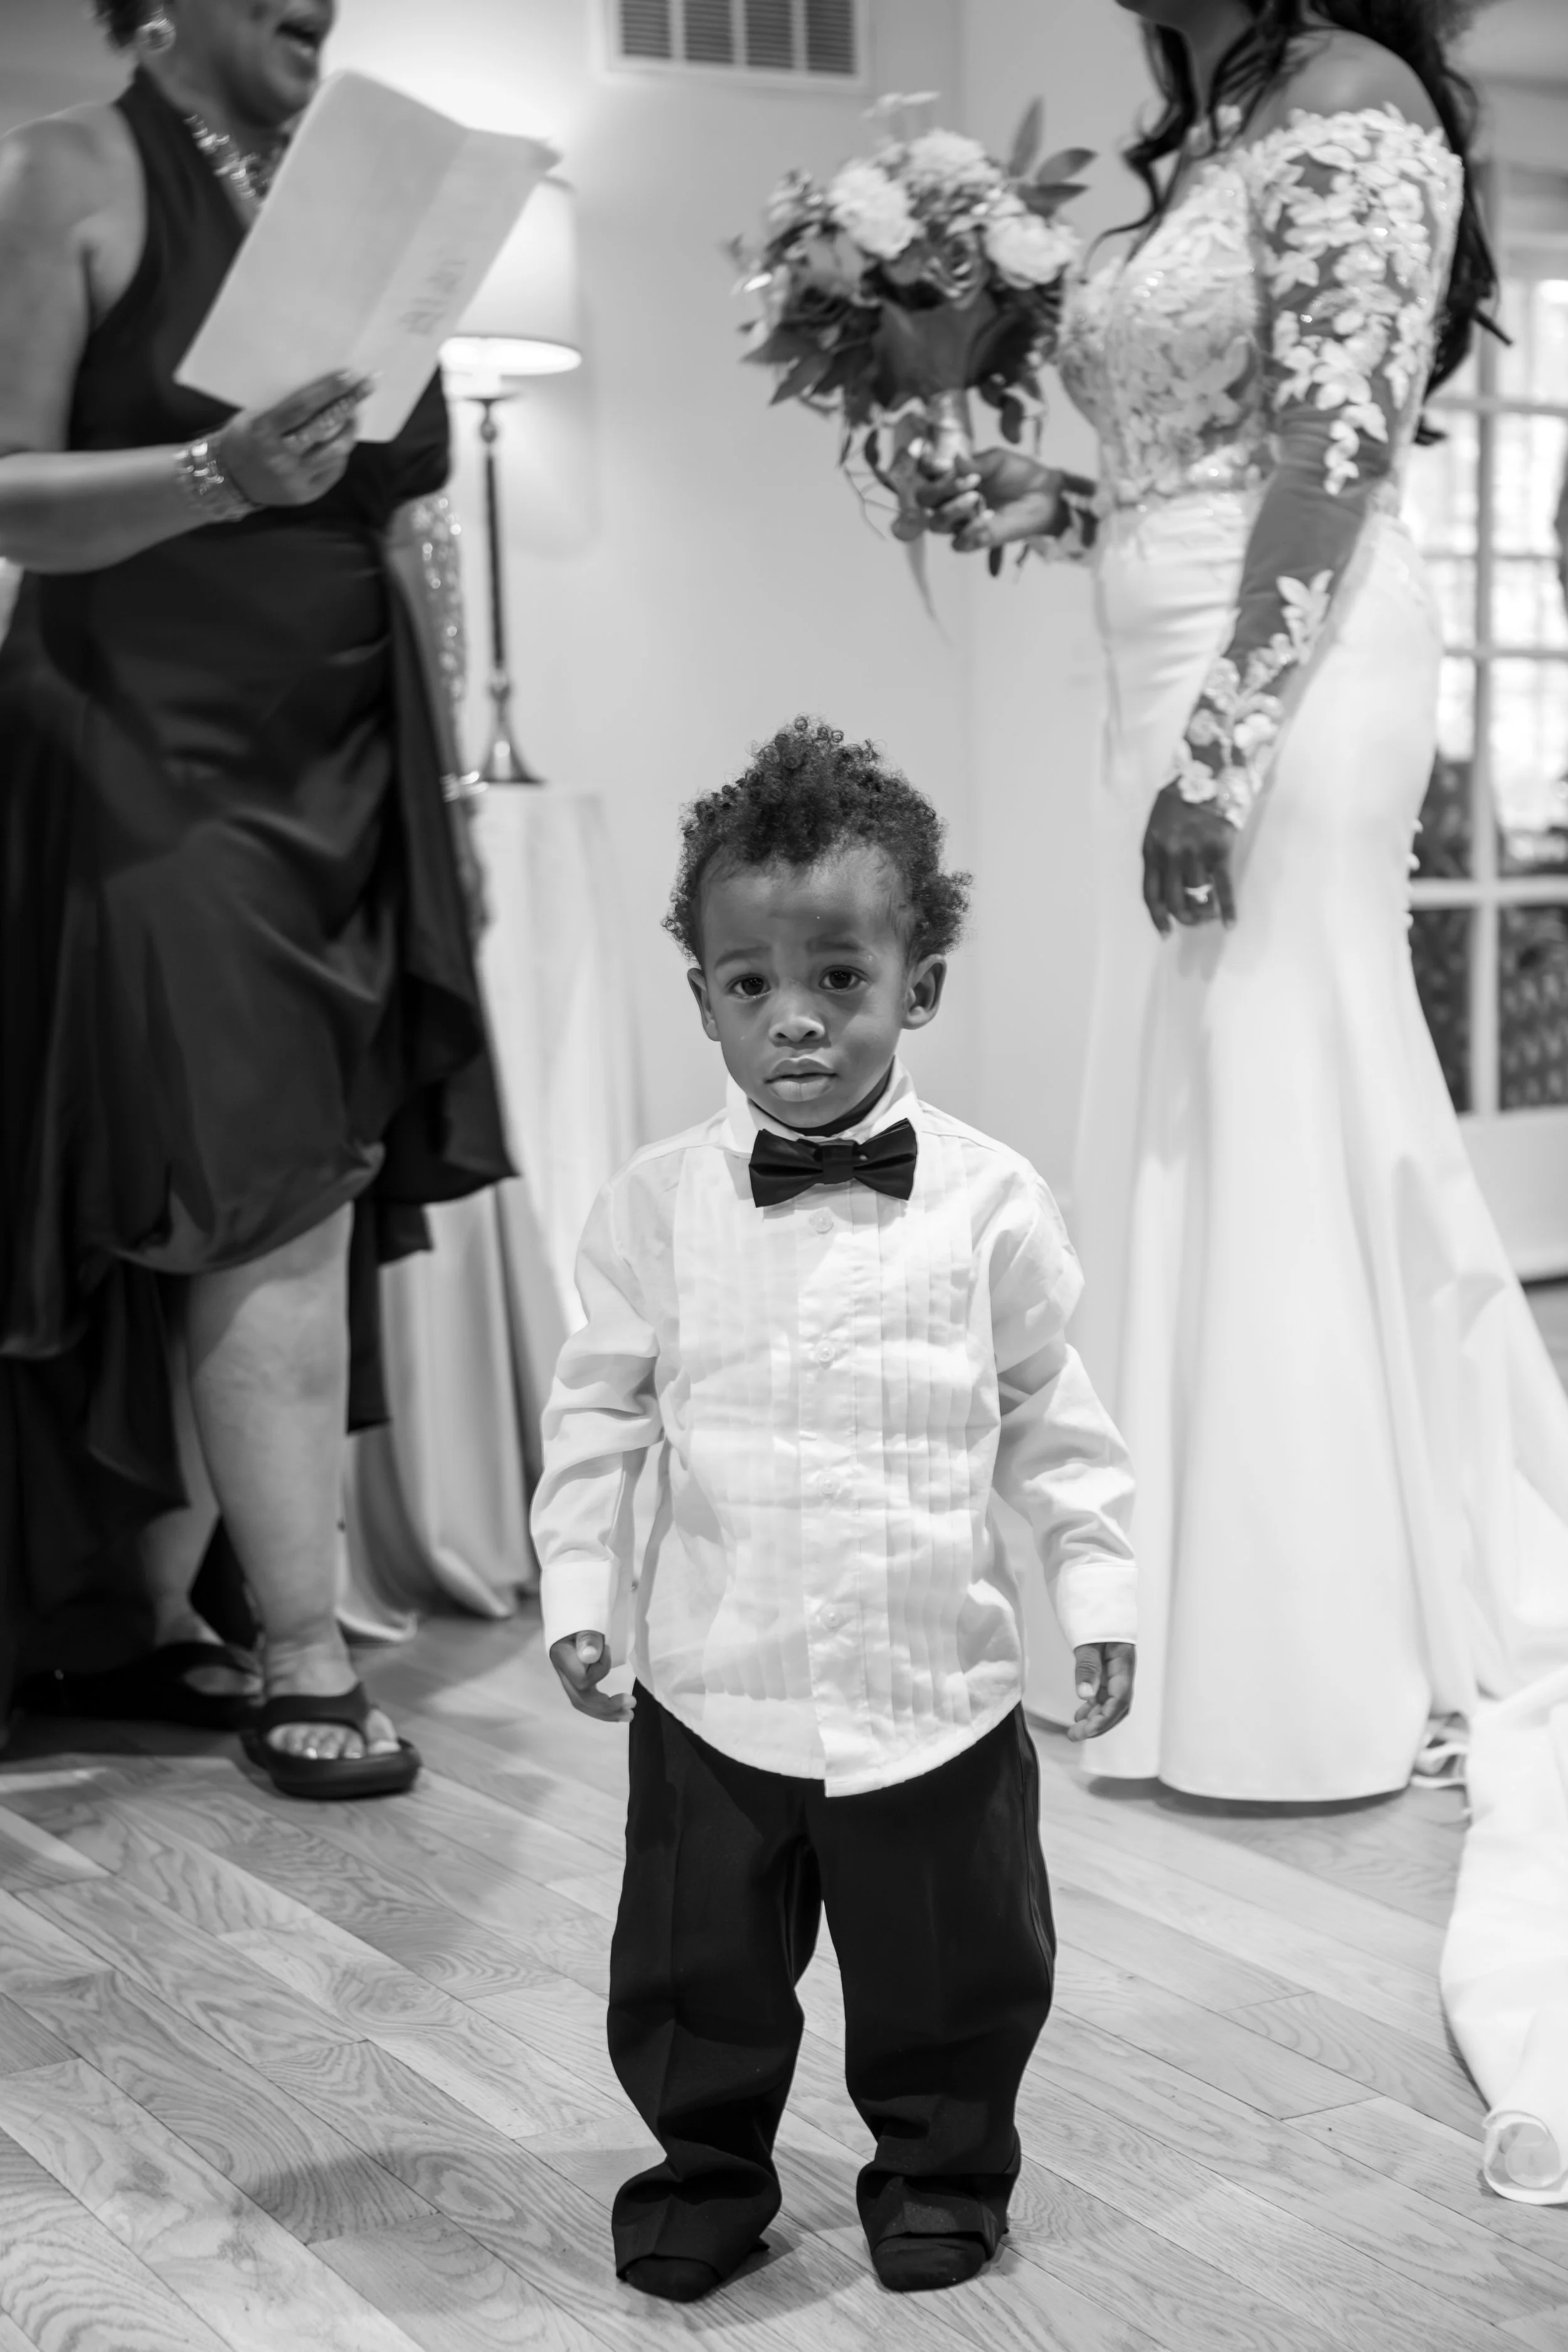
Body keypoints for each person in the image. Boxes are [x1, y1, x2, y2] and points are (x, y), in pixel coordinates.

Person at [530, 719, 1138, 2301]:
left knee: (955, 1967)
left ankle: (939, 2168)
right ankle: (703, 2167)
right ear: (705, 999)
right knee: (688, 1970)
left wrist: (1099, 1589)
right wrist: (580, 1588)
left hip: (930, 1686)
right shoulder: (653, 1207)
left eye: (839, 981)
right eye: (749, 986)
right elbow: (597, 1412)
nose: (792, 1020)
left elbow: (1046, 1411)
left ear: (916, 986)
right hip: (718, 1682)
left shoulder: (991, 1201)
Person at [0, 0, 512, 1794]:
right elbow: (7, 488)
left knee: (291, 1170)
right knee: (252, 1170)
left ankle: (139, 1621)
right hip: (153, 749)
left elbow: (405, 513)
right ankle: (301, 1632)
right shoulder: (63, 169)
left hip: (347, 739)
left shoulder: (360, 191)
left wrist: (446, 784)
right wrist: (217, 472)